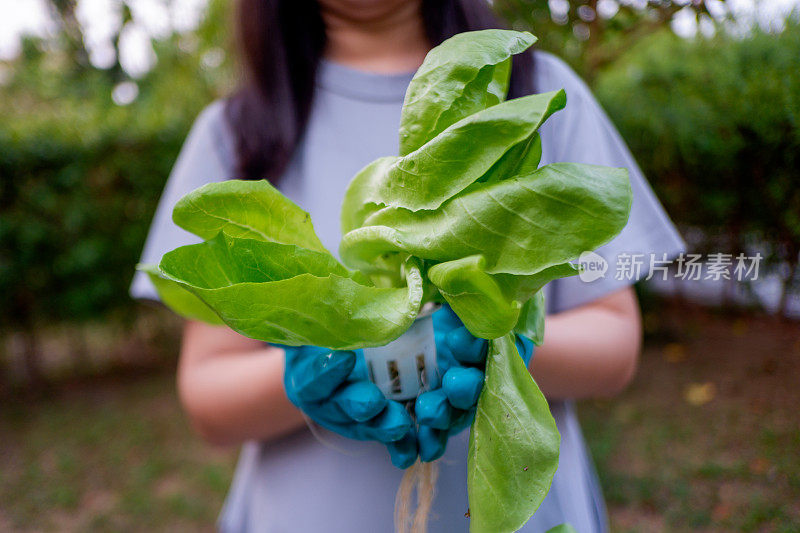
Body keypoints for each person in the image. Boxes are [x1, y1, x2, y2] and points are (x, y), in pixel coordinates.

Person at [130, 0, 685, 531]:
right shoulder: (235, 129)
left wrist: (504, 341)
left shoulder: (532, 87)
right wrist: (324, 362)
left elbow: (614, 344)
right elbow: (207, 396)